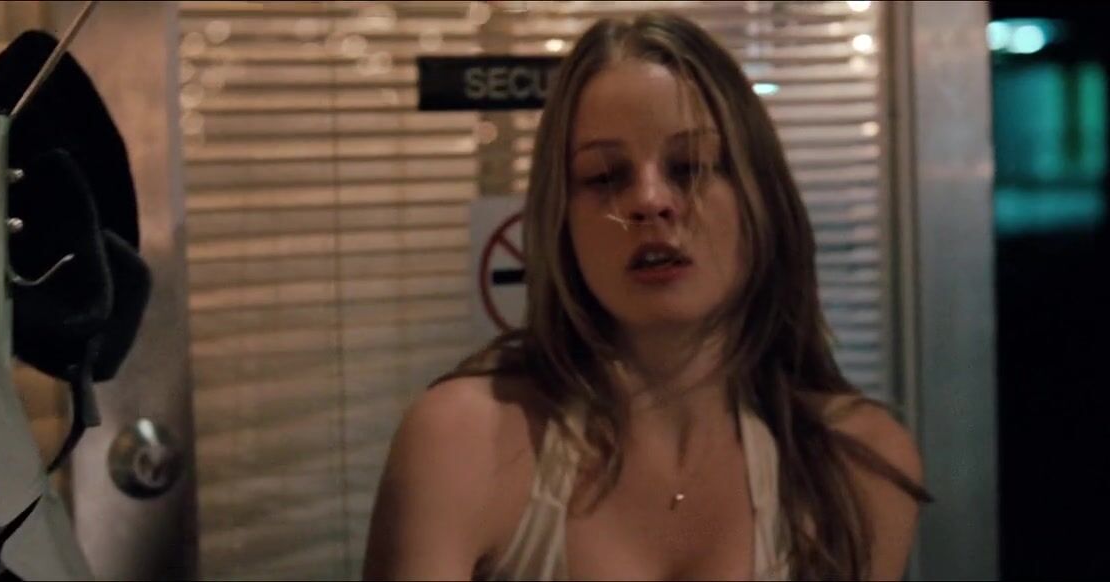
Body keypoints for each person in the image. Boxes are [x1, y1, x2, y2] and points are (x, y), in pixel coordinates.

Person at [363, 12, 930, 581]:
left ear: (760, 200)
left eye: (690, 167)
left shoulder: (856, 467)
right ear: (561, 221)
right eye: (605, 176)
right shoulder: (464, 442)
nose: (650, 202)